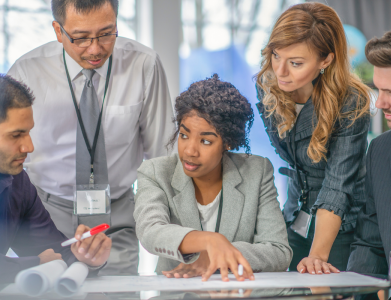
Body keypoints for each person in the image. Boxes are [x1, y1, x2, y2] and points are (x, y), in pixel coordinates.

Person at [7, 0, 174, 275]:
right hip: (45, 214)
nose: (95, 49)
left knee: (117, 294)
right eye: (81, 38)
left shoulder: (143, 64)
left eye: (107, 34)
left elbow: (162, 156)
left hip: (117, 215)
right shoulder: (27, 72)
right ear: (58, 31)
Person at [134, 75, 292, 282]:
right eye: (184, 135)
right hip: (178, 293)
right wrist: (209, 241)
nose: (190, 150)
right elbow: (151, 231)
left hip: (237, 294)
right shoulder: (155, 172)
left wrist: (216, 256)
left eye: (206, 141)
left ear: (228, 142)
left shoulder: (256, 170)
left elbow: (279, 251)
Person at [256, 2, 371, 274]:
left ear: (326, 60)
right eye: (275, 55)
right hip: (295, 213)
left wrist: (317, 256)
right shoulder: (268, 85)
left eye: (295, 63)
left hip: (341, 224)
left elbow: (337, 186)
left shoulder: (350, 101)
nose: (280, 71)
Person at [0, 74, 112, 283]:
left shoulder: (18, 183)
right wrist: (33, 264)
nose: (29, 147)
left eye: (28, 133)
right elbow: (42, 259)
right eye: (16, 135)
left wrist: (86, 256)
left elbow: (53, 251)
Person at [347, 26, 391, 298]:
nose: (380, 104)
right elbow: (370, 240)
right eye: (378, 89)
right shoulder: (380, 149)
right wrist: (355, 290)